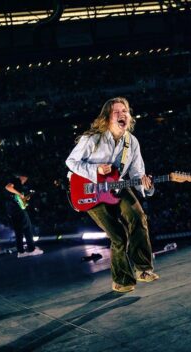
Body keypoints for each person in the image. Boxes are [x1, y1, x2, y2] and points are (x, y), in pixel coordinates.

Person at [66, 97, 159, 293]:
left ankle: (143, 269)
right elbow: (71, 162)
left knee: (138, 216)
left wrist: (146, 184)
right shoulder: (92, 139)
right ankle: (122, 280)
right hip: (89, 189)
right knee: (119, 236)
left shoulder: (132, 142)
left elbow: (137, 172)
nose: (122, 114)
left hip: (117, 185)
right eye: (116, 112)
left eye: (124, 110)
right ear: (108, 118)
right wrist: (96, 171)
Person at [5, 173, 43, 258]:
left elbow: (16, 197)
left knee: (19, 231)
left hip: (12, 209)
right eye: (25, 178)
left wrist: (24, 198)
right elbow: (8, 187)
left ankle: (21, 252)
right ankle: (32, 249)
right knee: (27, 228)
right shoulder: (16, 180)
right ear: (22, 176)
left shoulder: (18, 185)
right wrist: (19, 194)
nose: (26, 180)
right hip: (17, 209)